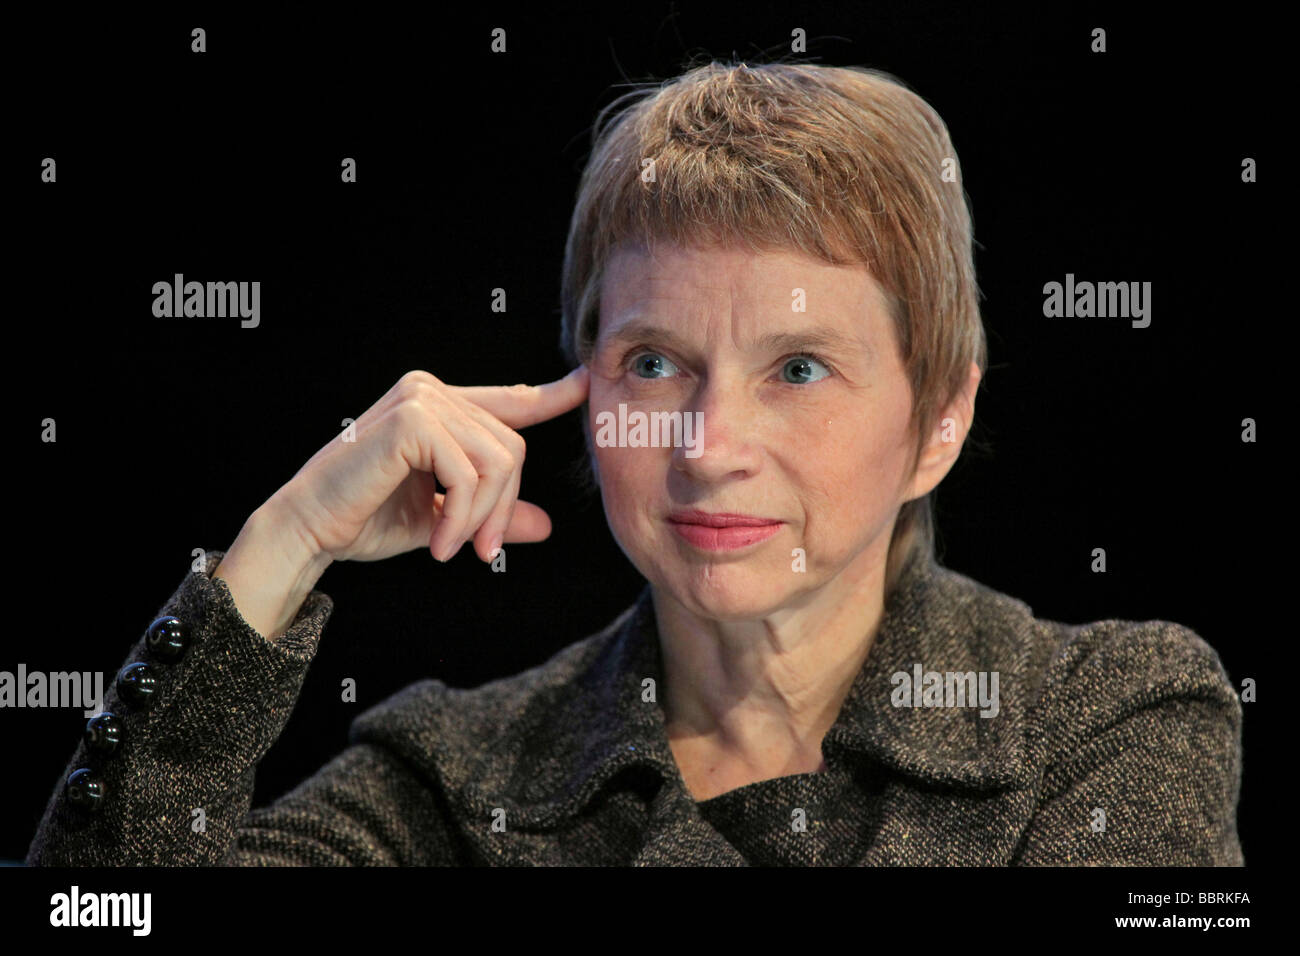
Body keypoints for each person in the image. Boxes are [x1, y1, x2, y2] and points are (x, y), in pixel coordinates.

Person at [27, 61, 1243, 866]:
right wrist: (281, 546)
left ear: (939, 420)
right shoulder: (452, 778)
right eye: (655, 364)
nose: (708, 448)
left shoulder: (1114, 717)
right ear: (582, 383)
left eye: (799, 368)